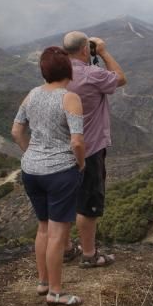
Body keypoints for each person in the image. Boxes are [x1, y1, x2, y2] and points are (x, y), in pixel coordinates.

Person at [12, 47, 86, 306]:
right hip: (59, 171)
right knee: (57, 233)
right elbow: (77, 141)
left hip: (31, 170)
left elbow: (16, 130)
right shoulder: (70, 98)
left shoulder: (31, 95)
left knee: (43, 228)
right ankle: (56, 292)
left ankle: (43, 282)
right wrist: (81, 164)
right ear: (67, 70)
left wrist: (29, 152)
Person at [61, 31, 127, 268]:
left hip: (60, 148)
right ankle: (89, 254)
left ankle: (66, 248)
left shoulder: (57, 74)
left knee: (64, 200)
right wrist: (103, 52)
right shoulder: (91, 74)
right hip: (88, 148)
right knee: (88, 203)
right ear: (84, 50)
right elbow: (119, 78)